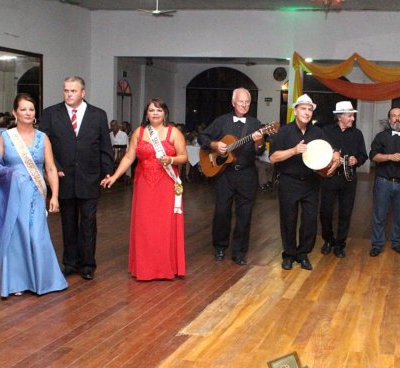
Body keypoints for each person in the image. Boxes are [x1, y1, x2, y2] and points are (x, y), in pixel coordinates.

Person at [0, 93, 67, 297]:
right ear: (15, 112)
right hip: (14, 194)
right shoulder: (6, 137)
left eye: (31, 109)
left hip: (36, 195)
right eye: (23, 109)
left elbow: (50, 168)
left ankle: (43, 280)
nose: (28, 113)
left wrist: (54, 196)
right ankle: (17, 282)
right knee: (17, 237)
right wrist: (10, 173)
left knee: (37, 235)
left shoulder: (43, 138)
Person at [101, 99, 187, 280]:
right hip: (144, 185)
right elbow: (129, 157)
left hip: (166, 184)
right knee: (145, 225)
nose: (155, 113)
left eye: (159, 110)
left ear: (165, 113)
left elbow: (184, 157)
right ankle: (145, 268)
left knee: (163, 226)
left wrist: (171, 160)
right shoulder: (139, 132)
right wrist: (114, 177)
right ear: (146, 113)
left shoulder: (173, 132)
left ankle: (164, 267)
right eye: (151, 110)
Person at [39, 76, 114, 280]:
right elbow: (43, 144)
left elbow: (105, 146)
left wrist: (107, 171)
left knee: (88, 221)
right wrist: (54, 167)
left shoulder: (98, 115)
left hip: (90, 177)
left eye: (73, 91)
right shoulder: (51, 114)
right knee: (68, 222)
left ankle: (88, 264)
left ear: (83, 92)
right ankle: (71, 263)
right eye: (66, 90)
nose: (69, 94)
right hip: (63, 177)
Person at [198, 88, 265, 265]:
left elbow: (260, 151)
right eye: (241, 101)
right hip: (225, 174)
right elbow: (202, 137)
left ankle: (239, 252)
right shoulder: (221, 121)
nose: (244, 105)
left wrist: (258, 142)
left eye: (247, 102)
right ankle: (220, 247)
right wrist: (214, 145)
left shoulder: (255, 123)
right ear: (233, 102)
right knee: (222, 212)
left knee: (245, 214)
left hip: (247, 174)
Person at [270, 94, 336, 270]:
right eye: (303, 109)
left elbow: (331, 150)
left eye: (310, 109)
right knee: (288, 219)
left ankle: (303, 253)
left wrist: (335, 159)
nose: (307, 112)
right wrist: (293, 150)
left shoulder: (317, 132)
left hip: (311, 182)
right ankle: (289, 255)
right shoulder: (284, 131)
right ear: (295, 111)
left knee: (309, 221)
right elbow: (273, 157)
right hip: (289, 182)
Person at [368, 106, 400, 257]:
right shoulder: (381, 136)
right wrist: (390, 157)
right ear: (389, 119)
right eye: (394, 116)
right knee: (380, 215)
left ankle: (396, 243)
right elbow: (373, 156)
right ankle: (377, 244)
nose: (397, 119)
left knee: (399, 216)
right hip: (383, 182)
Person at [320, 101, 368, 258]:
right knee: (326, 211)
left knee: (345, 212)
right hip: (329, 177)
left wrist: (356, 160)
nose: (353, 118)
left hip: (349, 179)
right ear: (340, 117)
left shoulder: (357, 134)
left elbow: (363, 155)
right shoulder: (326, 132)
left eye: (353, 115)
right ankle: (328, 240)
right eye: (350, 115)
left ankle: (340, 244)